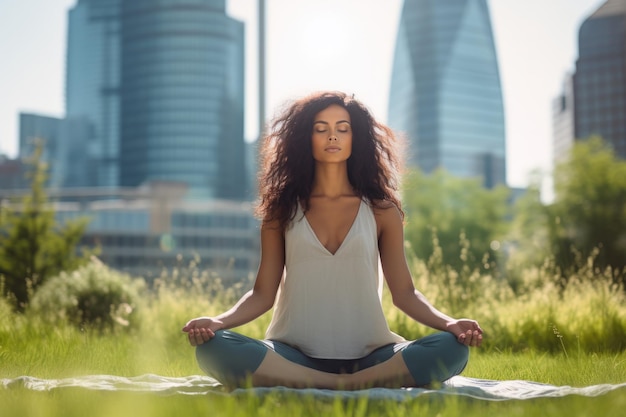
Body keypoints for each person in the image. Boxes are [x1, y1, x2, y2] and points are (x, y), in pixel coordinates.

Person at [182, 91, 483, 390]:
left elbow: (405, 294)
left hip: (371, 354)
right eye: (320, 128)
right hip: (292, 353)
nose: (332, 137)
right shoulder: (282, 210)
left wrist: (449, 323)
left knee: (451, 348)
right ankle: (344, 384)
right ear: (305, 138)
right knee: (214, 348)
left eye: (343, 128)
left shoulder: (382, 210)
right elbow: (262, 294)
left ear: (356, 138)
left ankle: (337, 382)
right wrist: (218, 322)